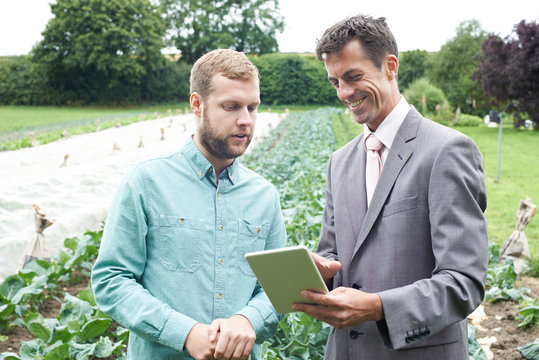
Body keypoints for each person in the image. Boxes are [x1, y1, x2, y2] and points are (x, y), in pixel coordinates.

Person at [292, 15, 488, 360]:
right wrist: (320, 272)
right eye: (335, 81)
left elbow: (463, 282)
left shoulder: (447, 150)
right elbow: (334, 254)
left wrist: (378, 306)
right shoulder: (339, 161)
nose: (344, 93)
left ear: (390, 66)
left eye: (353, 77)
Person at [91, 49, 286, 360]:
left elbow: (278, 289)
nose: (245, 120)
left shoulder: (264, 196)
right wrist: (184, 333)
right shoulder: (146, 182)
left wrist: (248, 318)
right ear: (197, 104)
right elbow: (111, 279)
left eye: (252, 107)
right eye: (231, 106)